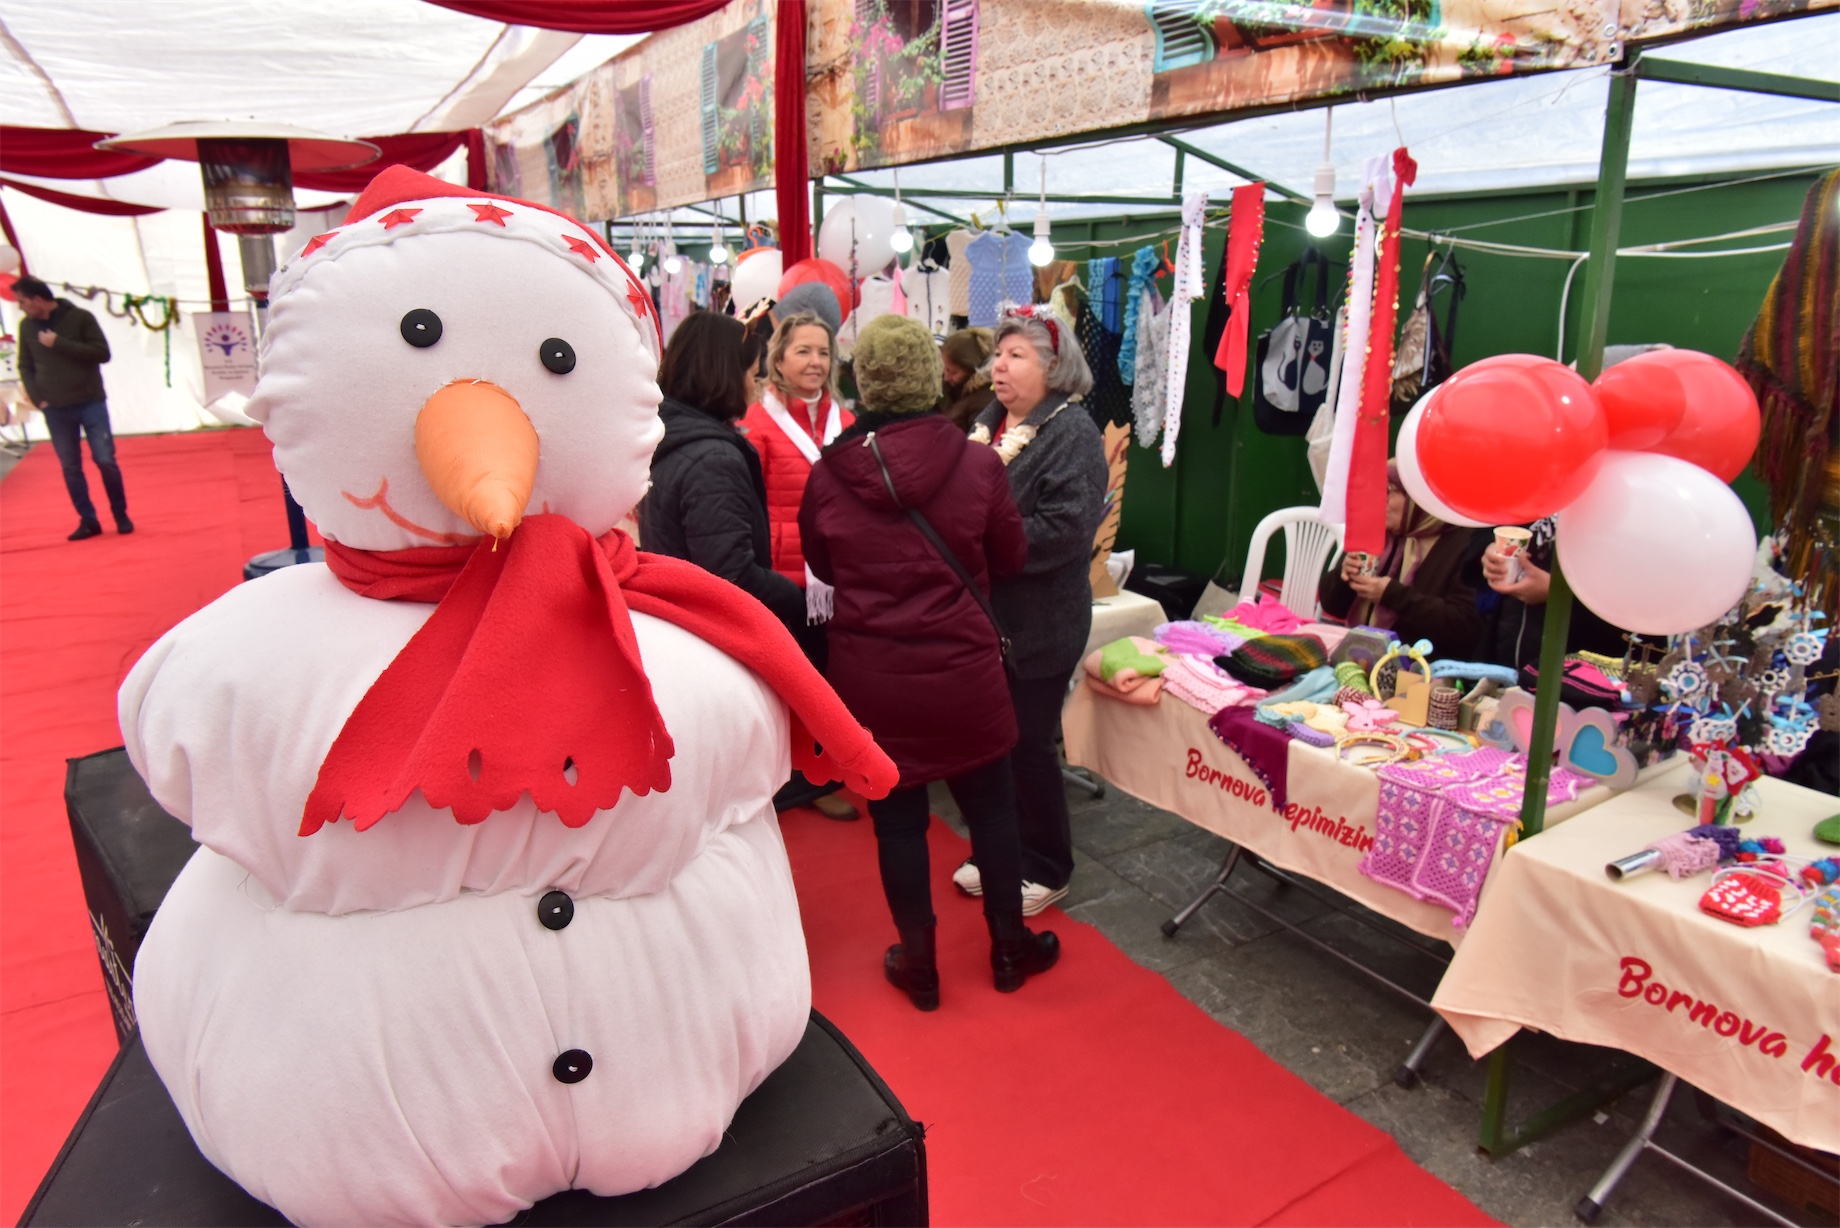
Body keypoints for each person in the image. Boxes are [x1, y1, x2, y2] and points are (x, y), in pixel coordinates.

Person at [799, 313, 1057, 1009]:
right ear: (927, 377)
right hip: (964, 672)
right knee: (994, 813)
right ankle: (1009, 948)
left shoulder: (828, 477)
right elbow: (1010, 556)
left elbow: (822, 565)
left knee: (897, 821)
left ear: (864, 382)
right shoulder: (976, 464)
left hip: (873, 678)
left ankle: (920, 964)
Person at [640, 311, 856, 820]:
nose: (754, 384)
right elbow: (731, 571)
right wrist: (804, 606)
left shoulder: (676, 435)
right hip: (745, 603)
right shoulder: (714, 454)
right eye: (753, 371)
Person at [953, 309, 1108, 916]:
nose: (999, 366)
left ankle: (1046, 864)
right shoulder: (985, 424)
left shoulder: (1073, 434)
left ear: (1053, 367)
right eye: (998, 355)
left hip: (1041, 623)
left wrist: (981, 541)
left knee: (1027, 742)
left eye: (1016, 355)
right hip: (984, 619)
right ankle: (997, 848)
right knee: (986, 739)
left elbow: (1066, 533)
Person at [740, 309, 854, 609]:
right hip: (781, 579)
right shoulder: (757, 421)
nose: (816, 362)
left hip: (842, 574)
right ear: (778, 360)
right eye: (803, 351)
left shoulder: (847, 422)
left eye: (824, 353)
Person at [14, 276, 132, 539]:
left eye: (22, 301)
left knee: (105, 460)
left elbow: (102, 353)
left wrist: (59, 343)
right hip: (55, 408)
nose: (20, 307)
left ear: (38, 299)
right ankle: (88, 520)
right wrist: (38, 399)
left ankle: (120, 514)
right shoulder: (26, 327)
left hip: (90, 401)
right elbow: (25, 364)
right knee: (70, 466)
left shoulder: (80, 318)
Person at [1319, 461, 1481, 652]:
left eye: (1389, 490)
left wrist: (1391, 595)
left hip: (1420, 670)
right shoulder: (1377, 534)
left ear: (1419, 498)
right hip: (1360, 656)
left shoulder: (1462, 543)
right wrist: (1343, 575)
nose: (1380, 499)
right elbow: (1332, 606)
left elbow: (1464, 625)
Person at [1475, 517, 1630, 672]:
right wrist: (1491, 552)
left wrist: (1558, 591)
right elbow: (1489, 522)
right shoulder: (1543, 496)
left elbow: (1634, 595)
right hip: (1508, 641)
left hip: (1581, 663)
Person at [939, 327, 994, 432]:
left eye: (953, 372)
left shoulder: (983, 403)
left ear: (972, 369)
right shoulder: (953, 389)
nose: (946, 378)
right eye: (945, 369)